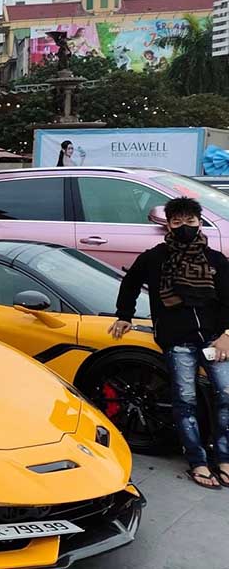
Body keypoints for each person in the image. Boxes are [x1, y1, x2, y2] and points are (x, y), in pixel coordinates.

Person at [110, 197, 229, 489]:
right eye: (177, 222)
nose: (184, 227)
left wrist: (227, 334)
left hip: (214, 339)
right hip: (177, 341)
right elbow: (130, 283)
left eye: (190, 221)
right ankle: (198, 461)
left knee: (226, 395)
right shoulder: (156, 257)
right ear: (169, 224)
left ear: (200, 223)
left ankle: (224, 458)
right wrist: (124, 315)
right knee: (185, 400)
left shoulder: (215, 259)